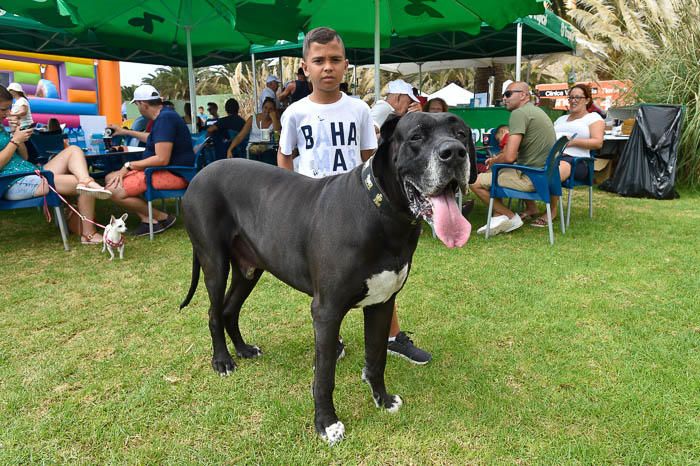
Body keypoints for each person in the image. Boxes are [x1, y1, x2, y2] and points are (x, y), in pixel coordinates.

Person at [278, 27, 431, 365]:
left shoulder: (359, 110)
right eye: (318, 61)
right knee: (326, 281)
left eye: (334, 60)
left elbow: (371, 159)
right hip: (313, 207)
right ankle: (333, 341)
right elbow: (285, 157)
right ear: (305, 68)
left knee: (382, 272)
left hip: (356, 205)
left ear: (346, 65)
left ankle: (391, 336)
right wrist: (288, 196)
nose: (327, 67)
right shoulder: (294, 113)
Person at [0, 85, 110, 244]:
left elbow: (23, 157)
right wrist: (15, 140)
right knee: (78, 184)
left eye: (8, 108)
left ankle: (86, 180)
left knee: (73, 150)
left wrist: (14, 134)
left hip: (30, 172)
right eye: (3, 109)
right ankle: (88, 234)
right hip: (11, 182)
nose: (7, 113)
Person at [105, 84, 194, 237]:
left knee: (113, 190)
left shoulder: (165, 119)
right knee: (110, 178)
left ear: (143, 104)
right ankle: (149, 219)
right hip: (166, 170)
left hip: (175, 174)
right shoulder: (165, 116)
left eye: (137, 104)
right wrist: (124, 131)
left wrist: (129, 165)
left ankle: (161, 217)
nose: (138, 108)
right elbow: (153, 138)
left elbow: (162, 159)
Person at [469, 82, 556, 236]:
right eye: (504, 95)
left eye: (508, 94)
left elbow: (509, 157)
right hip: (544, 176)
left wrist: (494, 160)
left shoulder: (519, 113)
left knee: (474, 182)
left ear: (523, 95)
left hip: (531, 178)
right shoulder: (536, 112)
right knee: (498, 170)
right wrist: (498, 160)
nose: (504, 98)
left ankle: (509, 216)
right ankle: (499, 215)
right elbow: (513, 153)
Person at [526, 83, 604, 227]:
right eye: (571, 97)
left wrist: (571, 143)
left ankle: (553, 211)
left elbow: (598, 143)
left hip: (577, 161)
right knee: (525, 165)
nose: (573, 100)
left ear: (587, 100)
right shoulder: (561, 119)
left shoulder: (593, 118)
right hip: (551, 155)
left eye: (578, 97)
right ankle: (531, 206)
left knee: (553, 170)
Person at [227, 97, 280, 164]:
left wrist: (274, 119)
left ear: (274, 111)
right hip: (253, 147)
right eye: (265, 108)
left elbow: (277, 138)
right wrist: (230, 149)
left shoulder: (275, 121)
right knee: (253, 159)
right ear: (262, 108)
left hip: (267, 149)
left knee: (269, 157)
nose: (267, 110)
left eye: (271, 109)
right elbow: (240, 136)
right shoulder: (253, 119)